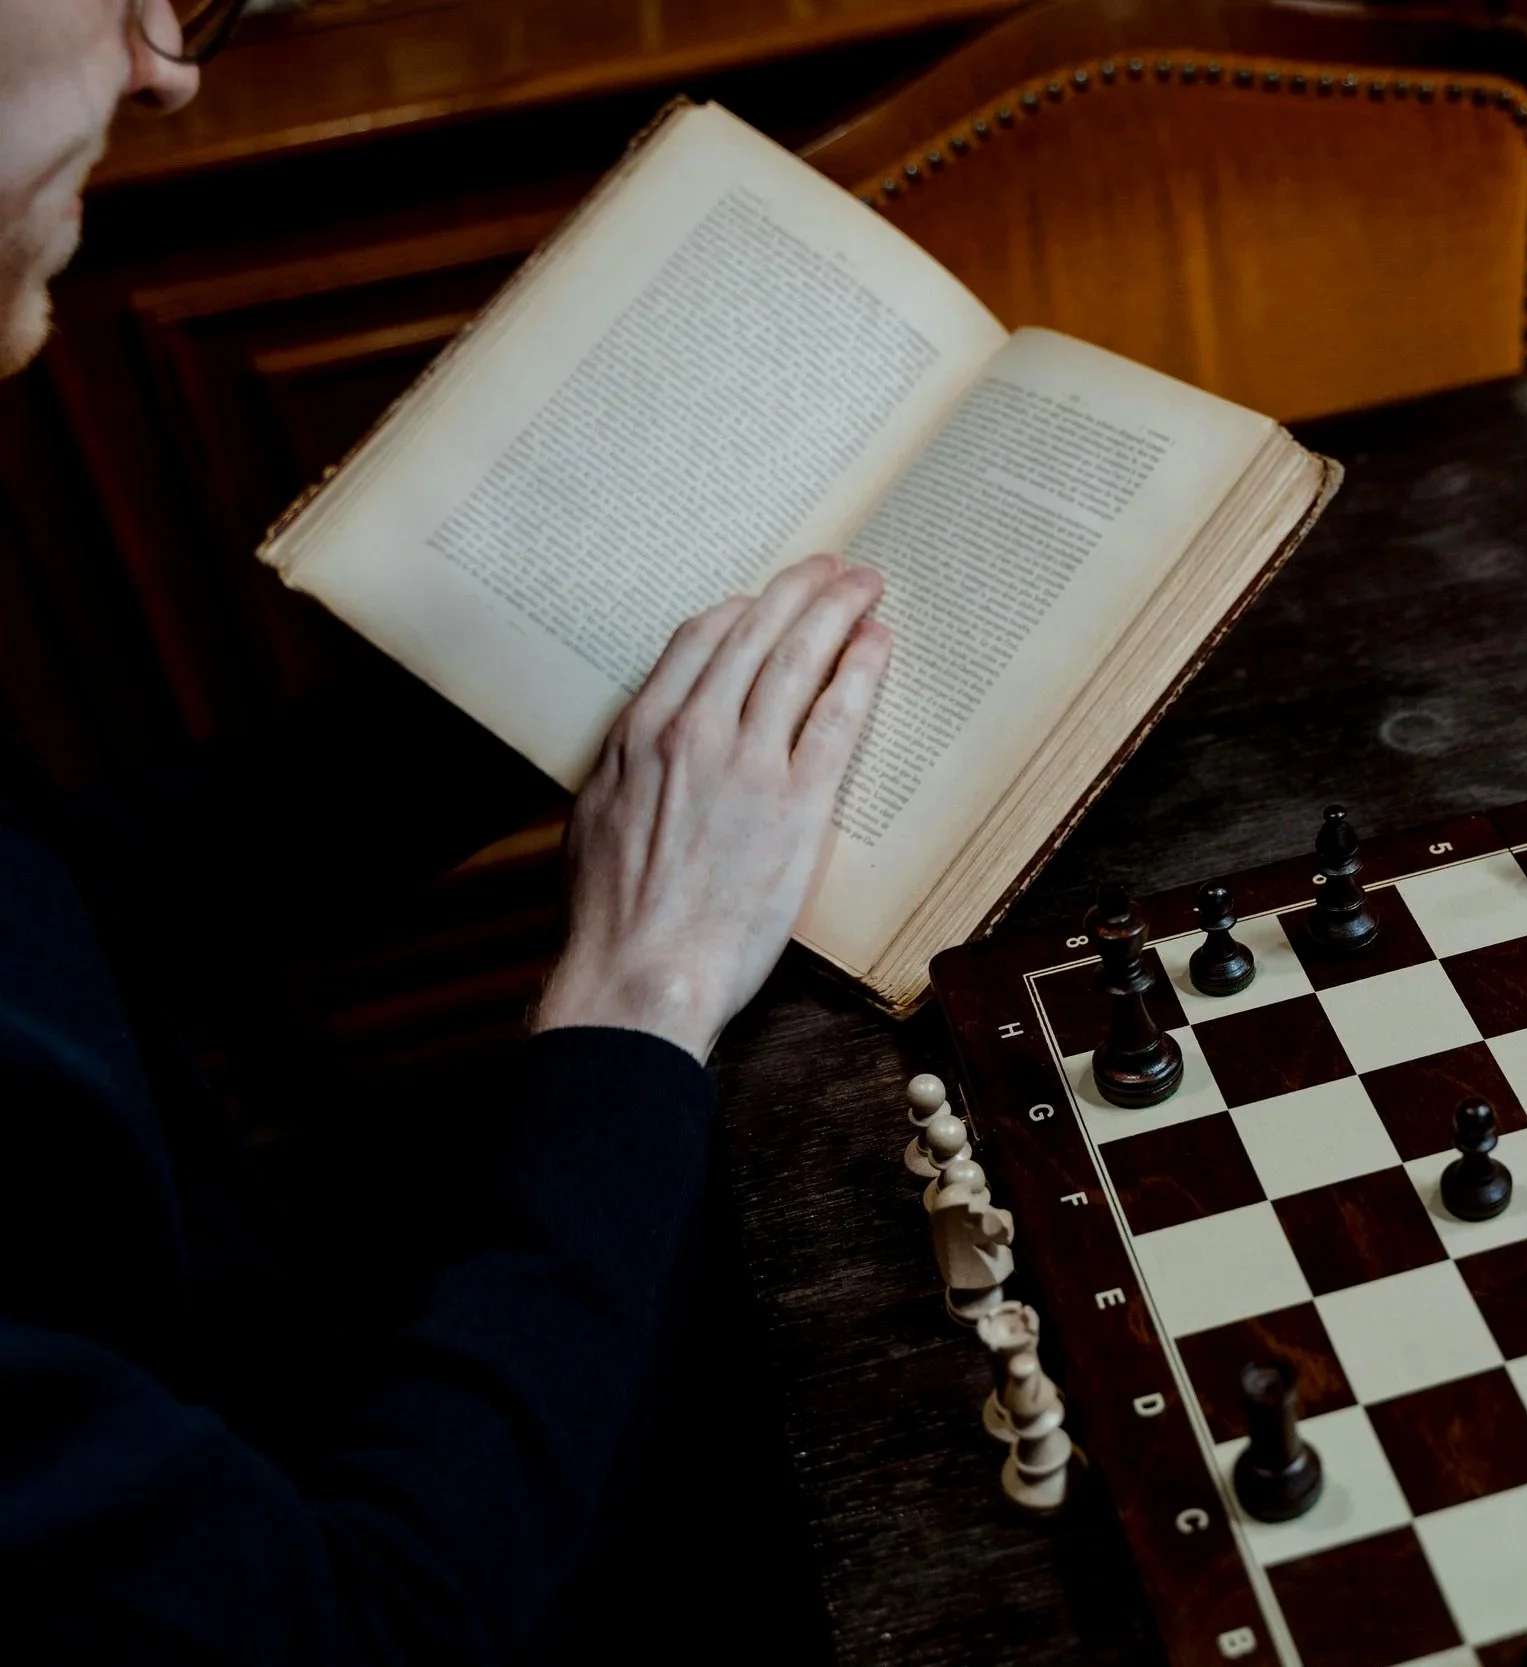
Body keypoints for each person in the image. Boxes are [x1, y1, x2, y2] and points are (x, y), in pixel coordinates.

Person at [0, 1, 892, 1658]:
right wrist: (644, 979)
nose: (165, 59)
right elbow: (371, 1628)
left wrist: (530, 693)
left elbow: (44, 911)